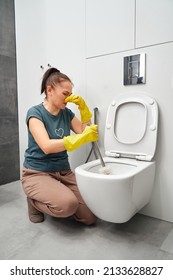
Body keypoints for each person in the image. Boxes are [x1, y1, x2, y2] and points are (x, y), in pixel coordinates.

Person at [22, 67, 98, 225]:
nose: (68, 99)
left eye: (70, 95)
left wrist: (83, 108)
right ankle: (33, 201)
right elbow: (47, 146)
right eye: (65, 94)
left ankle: (58, 194)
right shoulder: (35, 113)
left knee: (90, 216)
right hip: (37, 173)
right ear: (49, 90)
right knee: (68, 205)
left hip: (63, 172)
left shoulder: (66, 113)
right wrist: (76, 139)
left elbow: (85, 131)